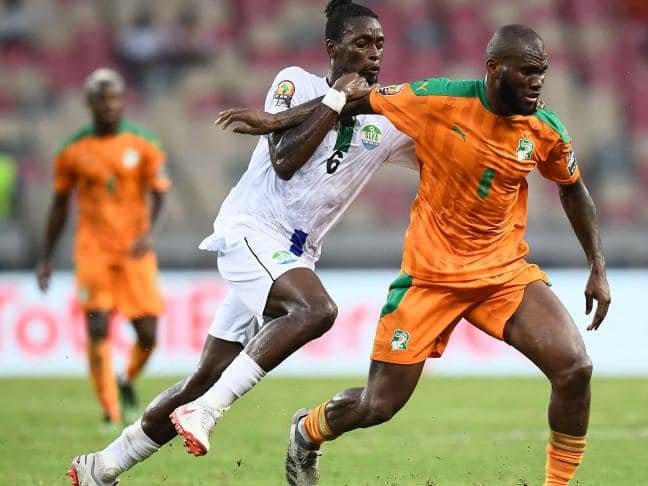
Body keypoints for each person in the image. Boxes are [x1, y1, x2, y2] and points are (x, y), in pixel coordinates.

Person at [210, 24, 611, 486]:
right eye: (527, 72)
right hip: (429, 280)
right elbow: (351, 101)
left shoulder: (545, 129)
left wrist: (597, 267)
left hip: (501, 274)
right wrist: (275, 121)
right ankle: (307, 430)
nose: (538, 82)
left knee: (575, 368)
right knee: (377, 405)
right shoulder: (436, 99)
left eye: (542, 72)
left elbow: (573, 190)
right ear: (494, 68)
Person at [66, 1, 417, 484]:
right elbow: (285, 159)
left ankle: (103, 466)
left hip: (293, 256)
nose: (374, 53)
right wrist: (336, 100)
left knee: (204, 376)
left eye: (379, 43)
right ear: (332, 47)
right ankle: (207, 411)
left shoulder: (389, 120)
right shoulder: (296, 83)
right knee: (316, 311)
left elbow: (440, 142)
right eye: (361, 43)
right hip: (252, 231)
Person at [37, 68, 169, 433]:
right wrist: (46, 258)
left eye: (115, 99)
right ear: (89, 103)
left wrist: (150, 234)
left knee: (148, 335)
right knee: (98, 329)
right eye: (102, 100)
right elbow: (59, 207)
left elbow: (161, 196)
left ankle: (126, 380)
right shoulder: (71, 151)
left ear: (123, 102)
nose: (109, 106)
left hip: (134, 252)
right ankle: (110, 411)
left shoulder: (144, 144)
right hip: (92, 252)